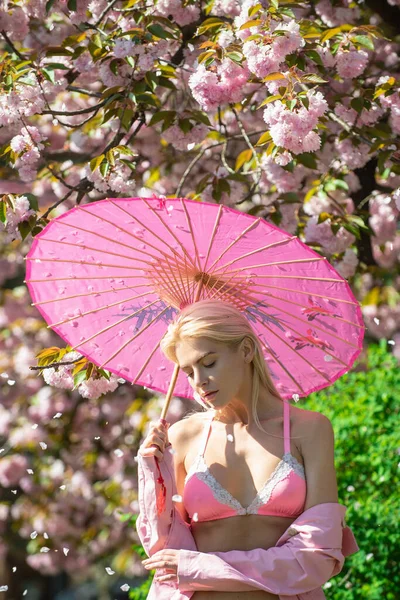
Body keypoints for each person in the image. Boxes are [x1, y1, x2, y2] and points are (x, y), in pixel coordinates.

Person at [137, 299, 358, 599]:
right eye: (189, 371)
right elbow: (164, 551)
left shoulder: (310, 430)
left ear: (245, 350)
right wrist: (152, 474)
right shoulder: (182, 436)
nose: (199, 382)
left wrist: (202, 568)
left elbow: (317, 556)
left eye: (209, 363)